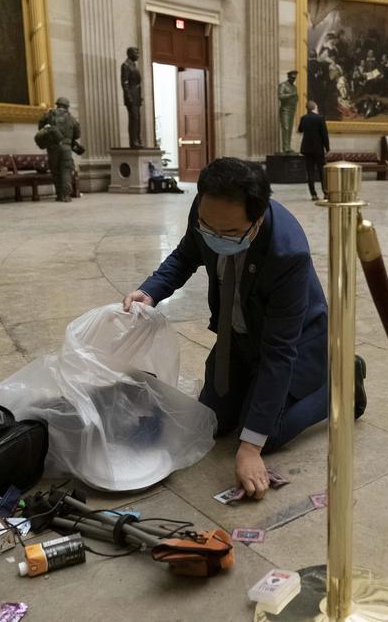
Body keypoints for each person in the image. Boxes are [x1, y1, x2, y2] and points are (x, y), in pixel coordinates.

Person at [122, 158, 366, 500]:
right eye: (209, 228)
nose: (217, 237)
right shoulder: (209, 207)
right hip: (238, 335)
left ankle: (343, 383)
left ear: (259, 217)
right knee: (212, 422)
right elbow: (185, 255)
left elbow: (280, 352)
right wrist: (150, 292)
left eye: (232, 233)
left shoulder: (287, 253)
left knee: (268, 433)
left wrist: (251, 449)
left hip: (296, 341)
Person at [37, 96, 80, 202]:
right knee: (66, 170)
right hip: (66, 148)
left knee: (55, 171)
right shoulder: (71, 118)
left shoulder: (49, 115)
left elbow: (41, 128)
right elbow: (77, 134)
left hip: (53, 147)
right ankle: (67, 196)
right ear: (67, 106)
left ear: (57, 105)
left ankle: (59, 195)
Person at [297, 101, 329, 201]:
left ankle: (313, 195)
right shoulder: (320, 118)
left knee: (310, 172)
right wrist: (327, 148)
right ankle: (326, 193)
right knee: (322, 172)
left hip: (306, 149)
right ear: (315, 107)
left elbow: (300, 130)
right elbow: (324, 134)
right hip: (318, 149)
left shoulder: (303, 118)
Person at [121, 46, 143, 147]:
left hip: (136, 96)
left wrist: (140, 96)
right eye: (136, 53)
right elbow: (124, 83)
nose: (138, 55)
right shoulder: (125, 65)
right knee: (134, 119)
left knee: (138, 119)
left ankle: (138, 139)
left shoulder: (134, 65)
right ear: (129, 54)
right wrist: (128, 96)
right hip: (131, 96)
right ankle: (134, 141)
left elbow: (137, 82)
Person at [277, 70, 298, 153]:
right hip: (285, 110)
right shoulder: (283, 85)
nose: (294, 79)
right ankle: (285, 147)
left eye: (295, 78)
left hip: (292, 110)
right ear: (288, 77)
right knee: (285, 128)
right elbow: (280, 96)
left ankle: (288, 146)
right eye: (292, 77)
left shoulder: (294, 87)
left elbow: (296, 97)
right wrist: (291, 95)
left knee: (289, 129)